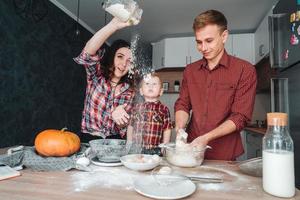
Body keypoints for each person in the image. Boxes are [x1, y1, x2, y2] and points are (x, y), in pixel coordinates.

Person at [174, 10, 257, 160]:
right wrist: (180, 129)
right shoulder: (190, 70)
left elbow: (240, 117)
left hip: (225, 153)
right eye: (199, 42)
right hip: (191, 150)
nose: (203, 48)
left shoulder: (245, 70)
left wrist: (206, 138)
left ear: (224, 36)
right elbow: (183, 104)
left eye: (209, 41)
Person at [74, 17, 137, 143]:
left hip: (115, 141)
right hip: (89, 139)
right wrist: (113, 25)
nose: (124, 64)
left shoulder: (131, 91)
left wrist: (121, 119)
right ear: (112, 56)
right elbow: (87, 53)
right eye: (120, 57)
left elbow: (125, 129)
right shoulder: (96, 76)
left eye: (129, 61)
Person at [127, 73, 172, 155]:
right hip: (136, 149)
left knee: (154, 167)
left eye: (154, 84)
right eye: (147, 83)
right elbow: (130, 126)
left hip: (155, 150)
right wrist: (129, 143)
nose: (150, 86)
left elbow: (167, 129)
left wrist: (165, 146)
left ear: (161, 91)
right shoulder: (136, 108)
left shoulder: (164, 109)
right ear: (141, 91)